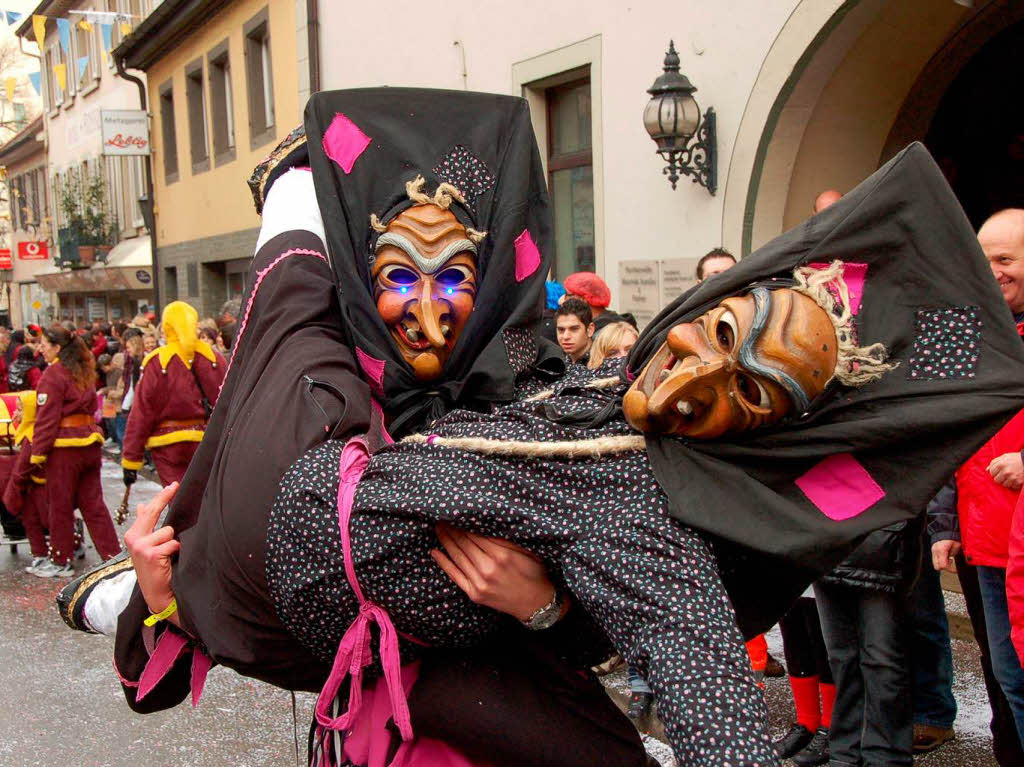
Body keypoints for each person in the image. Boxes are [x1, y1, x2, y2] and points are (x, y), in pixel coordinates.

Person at [68, 143, 1024, 767]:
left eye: (747, 395)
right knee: (290, 319)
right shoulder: (588, 376)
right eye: (720, 331)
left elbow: (719, 715)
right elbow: (486, 334)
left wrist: (549, 606)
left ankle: (150, 596)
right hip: (310, 471)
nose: (693, 379)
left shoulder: (661, 523)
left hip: (369, 635)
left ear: (767, 431)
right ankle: (137, 590)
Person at [932, 208, 1024, 759]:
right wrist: (943, 522)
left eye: (1005, 259)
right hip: (984, 540)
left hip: (1019, 539)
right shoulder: (966, 329)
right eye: (984, 258)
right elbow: (949, 432)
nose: (991, 270)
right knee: (1003, 680)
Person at [28, 326, 120, 577]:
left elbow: (47, 418)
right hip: (89, 444)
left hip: (64, 448)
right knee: (93, 505)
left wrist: (37, 453)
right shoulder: (82, 370)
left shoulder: (53, 374)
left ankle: (60, 559)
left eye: (44, 344)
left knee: (59, 504)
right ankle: (113, 556)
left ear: (57, 348)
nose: (40, 348)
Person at [121, 302, 226, 487]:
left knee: (177, 502)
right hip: (207, 441)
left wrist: (131, 458)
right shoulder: (214, 358)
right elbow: (227, 402)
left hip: (168, 446)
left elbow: (142, 412)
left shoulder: (157, 361)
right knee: (205, 498)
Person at [3, 391, 49, 573]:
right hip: (32, 485)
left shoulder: (31, 434)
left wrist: (12, 492)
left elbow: (23, 468)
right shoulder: (28, 430)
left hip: (39, 485)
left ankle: (49, 552)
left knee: (43, 520)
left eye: (20, 410)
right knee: (32, 520)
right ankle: (40, 554)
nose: (15, 414)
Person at [562, 271, 637, 332]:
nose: (562, 300)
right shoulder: (615, 323)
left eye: (568, 295)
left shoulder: (604, 332)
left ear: (583, 299)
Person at [555, 297, 594, 365]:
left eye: (574, 329)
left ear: (590, 330)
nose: (566, 336)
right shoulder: (555, 364)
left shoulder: (605, 364)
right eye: (561, 329)